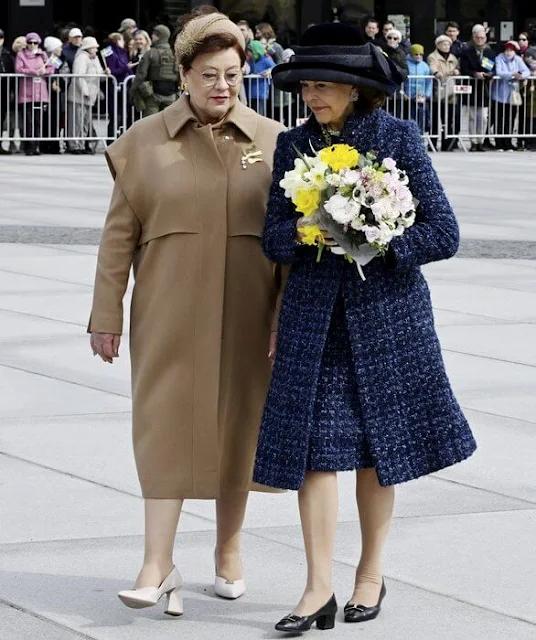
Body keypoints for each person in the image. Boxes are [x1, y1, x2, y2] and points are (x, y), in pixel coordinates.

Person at [252, 22, 477, 633]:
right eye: (306, 86)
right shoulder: (292, 147)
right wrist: (310, 230)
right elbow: (272, 235)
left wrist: (377, 235)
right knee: (315, 454)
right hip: (314, 322)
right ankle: (316, 587)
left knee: (381, 452)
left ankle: (370, 575)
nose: (313, 97)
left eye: (325, 86)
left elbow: (444, 234)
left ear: (356, 89)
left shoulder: (399, 138)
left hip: (388, 320)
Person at [88, 11, 285, 615]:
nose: (222, 86)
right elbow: (118, 236)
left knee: (240, 426)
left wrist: (286, 315)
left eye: (232, 73)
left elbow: (295, 243)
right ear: (184, 73)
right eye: (209, 75)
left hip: (251, 311)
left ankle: (229, 551)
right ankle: (157, 562)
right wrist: (105, 312)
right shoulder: (143, 142)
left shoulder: (277, 142)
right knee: (164, 424)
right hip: (167, 309)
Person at [15, 32, 54, 155]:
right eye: (30, 42)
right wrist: (35, 72)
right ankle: (28, 147)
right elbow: (19, 69)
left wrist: (44, 72)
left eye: (35, 42)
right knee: (28, 121)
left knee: (38, 121)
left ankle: (36, 146)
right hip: (26, 92)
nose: (32, 45)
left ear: (38, 43)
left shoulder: (43, 55)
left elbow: (51, 68)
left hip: (40, 92)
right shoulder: (21, 55)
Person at [66, 36, 106, 154]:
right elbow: (79, 76)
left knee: (85, 121)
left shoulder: (95, 59)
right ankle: (74, 145)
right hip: (79, 96)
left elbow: (98, 75)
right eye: (94, 47)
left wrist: (105, 74)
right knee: (76, 121)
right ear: (88, 47)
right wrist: (85, 91)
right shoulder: (81, 58)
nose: (96, 50)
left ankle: (82, 144)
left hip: (91, 96)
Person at [460, 24, 496, 152]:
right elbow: (464, 69)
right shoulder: (466, 52)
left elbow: (493, 68)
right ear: (473, 37)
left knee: (483, 116)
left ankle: (481, 140)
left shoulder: (490, 52)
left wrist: (490, 74)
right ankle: (473, 141)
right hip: (472, 88)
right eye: (477, 37)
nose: (480, 40)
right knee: (472, 116)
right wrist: (475, 74)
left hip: (484, 88)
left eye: (482, 37)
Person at [130, 25, 178, 117]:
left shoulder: (150, 53)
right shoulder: (175, 53)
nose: (151, 36)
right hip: (171, 94)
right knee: (169, 123)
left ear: (158, 36)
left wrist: (133, 90)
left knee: (150, 124)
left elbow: (141, 74)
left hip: (153, 95)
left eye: (154, 34)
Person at [490, 41, 530, 151]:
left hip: (512, 94)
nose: (509, 53)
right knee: (499, 118)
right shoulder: (499, 58)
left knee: (510, 119)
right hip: (500, 94)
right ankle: (499, 143)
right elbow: (499, 72)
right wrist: (512, 75)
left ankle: (508, 142)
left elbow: (526, 71)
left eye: (511, 50)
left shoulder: (517, 59)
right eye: (507, 50)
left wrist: (520, 76)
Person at [428, 34, 461, 150]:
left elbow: (458, 67)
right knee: (436, 120)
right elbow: (432, 67)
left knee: (449, 120)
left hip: (451, 93)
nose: (446, 46)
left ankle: (447, 144)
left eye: (448, 44)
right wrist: (436, 73)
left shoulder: (453, 58)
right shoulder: (433, 56)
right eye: (443, 44)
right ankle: (433, 144)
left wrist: (457, 71)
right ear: (438, 45)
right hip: (438, 92)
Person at [102, 32, 134, 141]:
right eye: (122, 40)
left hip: (124, 87)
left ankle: (120, 138)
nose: (124, 42)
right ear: (117, 41)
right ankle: (111, 139)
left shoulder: (123, 52)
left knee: (123, 114)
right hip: (115, 87)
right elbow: (112, 71)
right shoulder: (110, 52)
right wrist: (126, 68)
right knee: (115, 115)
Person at [40, 36, 66, 154]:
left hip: (55, 95)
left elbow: (60, 74)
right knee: (46, 120)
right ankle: (45, 145)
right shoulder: (46, 58)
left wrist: (59, 84)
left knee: (55, 119)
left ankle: (54, 145)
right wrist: (52, 83)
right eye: (59, 47)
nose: (61, 49)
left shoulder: (57, 60)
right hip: (45, 93)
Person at [404, 44, 433, 134]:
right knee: (408, 118)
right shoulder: (405, 64)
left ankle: (420, 136)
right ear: (411, 54)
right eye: (416, 54)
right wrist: (403, 94)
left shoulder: (424, 66)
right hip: (408, 96)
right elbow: (402, 81)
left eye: (421, 54)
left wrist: (426, 95)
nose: (418, 56)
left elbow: (429, 82)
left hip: (421, 97)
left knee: (421, 118)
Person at [246, 40, 276, 116]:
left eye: (250, 51)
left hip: (261, 92)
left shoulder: (265, 59)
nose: (248, 54)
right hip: (250, 92)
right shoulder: (250, 61)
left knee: (260, 113)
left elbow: (275, 67)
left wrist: (268, 71)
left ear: (255, 50)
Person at [0, 28, 15, 154]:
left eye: (1, 38)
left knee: (1, 117)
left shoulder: (6, 54)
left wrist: (11, 91)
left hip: (3, 91)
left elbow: (12, 70)